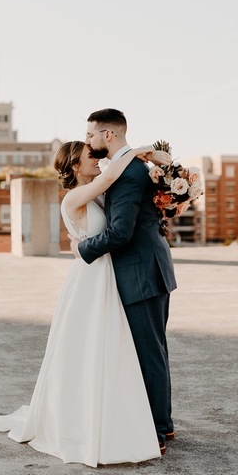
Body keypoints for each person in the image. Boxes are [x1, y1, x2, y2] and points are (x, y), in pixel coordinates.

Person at [0, 140, 171, 467]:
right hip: (90, 278)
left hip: (108, 276)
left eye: (99, 154)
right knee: (87, 347)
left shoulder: (97, 193)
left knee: (113, 348)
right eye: (91, 155)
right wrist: (133, 152)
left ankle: (123, 412)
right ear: (73, 166)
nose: (98, 159)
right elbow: (109, 178)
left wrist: (150, 162)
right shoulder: (76, 196)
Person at [71, 108, 178, 453]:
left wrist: (82, 250)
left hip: (140, 271)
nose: (87, 141)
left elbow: (119, 233)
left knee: (148, 353)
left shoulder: (129, 173)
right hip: (148, 267)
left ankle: (158, 433)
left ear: (109, 136)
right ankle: (164, 423)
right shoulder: (130, 166)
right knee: (153, 350)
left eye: (90, 135)